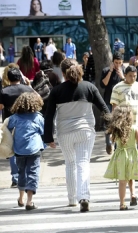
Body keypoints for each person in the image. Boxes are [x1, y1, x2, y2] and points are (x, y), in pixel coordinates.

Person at [43, 59, 110, 212]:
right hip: (85, 131)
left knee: (70, 163)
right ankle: (84, 197)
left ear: (63, 72)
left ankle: (72, 198)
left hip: (64, 132)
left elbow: (49, 115)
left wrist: (48, 137)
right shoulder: (89, 87)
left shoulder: (57, 91)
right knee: (83, 163)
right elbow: (105, 109)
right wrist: (113, 127)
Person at [8, 92, 49, 210]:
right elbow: (43, 132)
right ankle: (29, 201)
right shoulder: (38, 117)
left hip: (19, 150)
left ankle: (21, 198)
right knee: (33, 173)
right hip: (34, 149)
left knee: (21, 172)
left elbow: (7, 127)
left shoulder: (14, 117)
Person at [104, 106, 138, 210]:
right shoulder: (134, 128)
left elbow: (112, 139)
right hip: (133, 156)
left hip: (120, 156)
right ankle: (133, 194)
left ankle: (122, 203)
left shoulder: (117, 130)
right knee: (131, 177)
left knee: (122, 181)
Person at [0, 67, 35, 189]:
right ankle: (25, 176)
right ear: (20, 78)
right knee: (26, 149)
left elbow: (0, 107)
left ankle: (15, 178)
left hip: (10, 123)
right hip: (27, 122)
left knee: (12, 150)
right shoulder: (28, 90)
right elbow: (37, 101)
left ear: (8, 79)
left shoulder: (4, 91)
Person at [110, 65, 138, 150]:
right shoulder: (117, 88)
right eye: (130, 76)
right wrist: (114, 124)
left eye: (134, 76)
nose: (132, 78)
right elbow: (115, 107)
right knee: (122, 149)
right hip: (123, 124)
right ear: (125, 75)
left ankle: (136, 163)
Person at [101, 52, 125, 154]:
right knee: (109, 123)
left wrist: (122, 76)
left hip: (120, 102)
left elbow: (128, 84)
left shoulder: (123, 71)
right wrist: (110, 71)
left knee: (119, 124)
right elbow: (104, 84)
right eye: (116, 62)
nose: (117, 65)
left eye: (120, 63)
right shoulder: (106, 70)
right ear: (112, 62)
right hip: (108, 100)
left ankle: (116, 146)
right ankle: (108, 143)